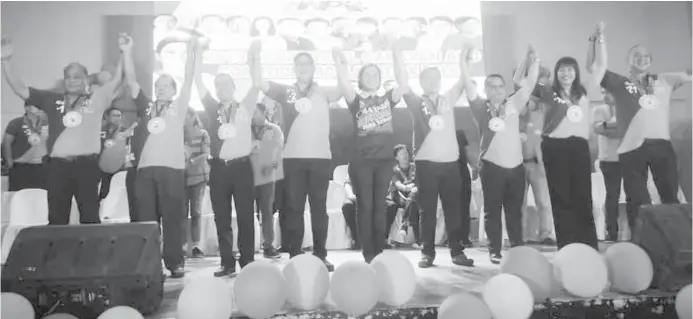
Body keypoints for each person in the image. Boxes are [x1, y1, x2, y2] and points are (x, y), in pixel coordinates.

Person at [1, 35, 124, 224]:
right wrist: (5, 61)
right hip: (57, 166)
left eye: (77, 77)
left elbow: (118, 79)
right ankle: (59, 254)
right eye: (68, 77)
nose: (72, 81)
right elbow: (19, 88)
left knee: (90, 215)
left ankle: (90, 254)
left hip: (87, 165)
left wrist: (126, 52)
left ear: (86, 81)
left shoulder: (97, 99)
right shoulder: (52, 99)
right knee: (57, 218)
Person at [591, 27, 690, 234]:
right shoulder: (620, 83)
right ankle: (641, 241)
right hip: (631, 148)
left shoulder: (664, 80)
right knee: (637, 198)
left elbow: (689, 74)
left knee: (670, 196)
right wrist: (599, 40)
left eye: (646, 57)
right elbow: (595, 67)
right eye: (637, 56)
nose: (642, 59)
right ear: (629, 60)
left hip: (662, 145)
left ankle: (675, 239)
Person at [253, 47, 342, 271]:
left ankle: (321, 254)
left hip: (320, 157)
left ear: (313, 68)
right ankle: (295, 253)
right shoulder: (286, 91)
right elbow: (259, 82)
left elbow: (343, 90)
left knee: (319, 208)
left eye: (307, 64)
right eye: (299, 64)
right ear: (294, 68)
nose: (303, 67)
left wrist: (340, 62)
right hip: (292, 158)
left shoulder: (324, 91)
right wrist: (254, 56)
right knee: (294, 208)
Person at [393, 42, 475, 267]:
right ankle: (427, 253)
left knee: (453, 210)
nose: (432, 82)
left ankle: (457, 252)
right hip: (426, 164)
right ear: (422, 83)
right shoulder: (416, 102)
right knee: (427, 211)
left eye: (436, 79)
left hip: (450, 164)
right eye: (427, 79)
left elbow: (463, 81)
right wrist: (397, 52)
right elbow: (402, 80)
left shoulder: (448, 98)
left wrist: (464, 60)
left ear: (440, 81)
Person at [530, 23, 605, 250]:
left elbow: (598, 65)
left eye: (570, 69)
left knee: (583, 197)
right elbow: (518, 81)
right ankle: (567, 245)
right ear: (556, 72)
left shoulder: (583, 92)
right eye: (562, 69)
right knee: (561, 198)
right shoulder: (547, 92)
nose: (566, 73)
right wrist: (532, 60)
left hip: (579, 148)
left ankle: (588, 245)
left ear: (576, 72)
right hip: (554, 147)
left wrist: (599, 39)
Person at [462, 44, 539, 264]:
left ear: (504, 89)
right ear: (486, 90)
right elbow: (467, 83)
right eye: (491, 87)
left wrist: (534, 60)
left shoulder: (513, 103)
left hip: (516, 167)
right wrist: (464, 60)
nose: (496, 90)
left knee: (515, 211)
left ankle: (517, 248)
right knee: (492, 211)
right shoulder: (479, 107)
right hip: (491, 166)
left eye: (499, 87)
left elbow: (530, 82)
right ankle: (494, 250)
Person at [124, 33, 193, 278]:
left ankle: (175, 262)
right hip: (145, 171)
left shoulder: (179, 106)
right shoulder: (147, 107)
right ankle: (150, 264)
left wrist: (194, 51)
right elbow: (131, 80)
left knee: (173, 219)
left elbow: (190, 77)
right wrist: (127, 52)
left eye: (165, 86)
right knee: (146, 219)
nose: (160, 88)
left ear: (174, 91)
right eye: (157, 86)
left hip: (172, 170)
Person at [194, 40, 261, 276]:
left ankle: (248, 261)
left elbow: (258, 83)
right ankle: (226, 262)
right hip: (219, 169)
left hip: (243, 168)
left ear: (233, 87)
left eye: (225, 84)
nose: (221, 88)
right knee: (222, 217)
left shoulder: (245, 107)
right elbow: (197, 80)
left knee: (245, 216)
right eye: (218, 84)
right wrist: (198, 54)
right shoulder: (212, 107)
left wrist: (254, 56)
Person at [333, 47, 404, 263]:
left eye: (376, 74)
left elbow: (404, 84)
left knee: (380, 207)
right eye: (367, 74)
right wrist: (339, 63)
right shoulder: (356, 100)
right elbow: (344, 84)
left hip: (384, 162)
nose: (372, 78)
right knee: (366, 207)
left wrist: (396, 52)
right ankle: (368, 253)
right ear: (361, 79)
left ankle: (379, 252)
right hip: (361, 162)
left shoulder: (387, 99)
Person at [518, 70, 556, 245]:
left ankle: (546, 234)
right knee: (520, 204)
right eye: (537, 84)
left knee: (544, 202)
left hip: (540, 163)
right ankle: (521, 235)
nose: (541, 88)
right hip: (518, 163)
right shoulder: (519, 105)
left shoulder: (547, 109)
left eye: (544, 84)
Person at [250, 103, 284, 259]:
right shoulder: (246, 130)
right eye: (252, 113)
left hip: (267, 177)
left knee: (266, 212)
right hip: (247, 177)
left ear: (264, 113)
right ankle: (248, 246)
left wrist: (272, 167)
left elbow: (279, 153)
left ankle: (268, 246)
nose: (254, 116)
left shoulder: (274, 130)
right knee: (247, 213)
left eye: (256, 113)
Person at [592, 90, 621, 242]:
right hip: (609, 159)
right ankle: (612, 232)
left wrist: (609, 126)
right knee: (612, 195)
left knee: (633, 195)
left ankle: (637, 231)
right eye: (602, 91)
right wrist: (619, 127)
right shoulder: (598, 110)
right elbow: (599, 129)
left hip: (629, 156)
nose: (605, 94)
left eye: (608, 91)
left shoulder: (625, 108)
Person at [2, 102, 48, 191]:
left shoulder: (46, 124)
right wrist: (9, 163)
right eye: (37, 107)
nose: (41, 109)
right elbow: (6, 143)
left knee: (41, 197)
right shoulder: (16, 123)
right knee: (18, 197)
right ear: (27, 108)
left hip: (42, 167)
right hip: (20, 167)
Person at [183, 109, 210, 258]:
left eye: (187, 115)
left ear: (193, 117)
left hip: (199, 176)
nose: (185, 118)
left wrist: (192, 161)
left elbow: (206, 154)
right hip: (181, 176)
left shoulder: (203, 133)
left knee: (196, 212)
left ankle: (196, 245)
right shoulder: (178, 133)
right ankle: (181, 245)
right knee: (181, 212)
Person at [385, 145, 419, 246]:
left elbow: (420, 181)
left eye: (406, 153)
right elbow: (397, 184)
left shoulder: (414, 167)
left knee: (414, 200)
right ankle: (418, 240)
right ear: (396, 157)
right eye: (402, 154)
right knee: (413, 201)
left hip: (414, 194)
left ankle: (405, 225)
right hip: (399, 195)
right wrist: (408, 187)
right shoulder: (395, 170)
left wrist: (415, 186)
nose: (405, 156)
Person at [98, 107, 126, 201]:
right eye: (114, 115)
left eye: (119, 116)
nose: (118, 118)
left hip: (118, 170)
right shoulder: (99, 130)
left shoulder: (125, 132)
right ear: (107, 117)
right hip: (100, 169)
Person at [342, 174, 359, 250]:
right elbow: (348, 185)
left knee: (389, 206)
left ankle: (381, 240)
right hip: (356, 198)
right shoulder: (354, 169)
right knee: (347, 206)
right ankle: (356, 239)